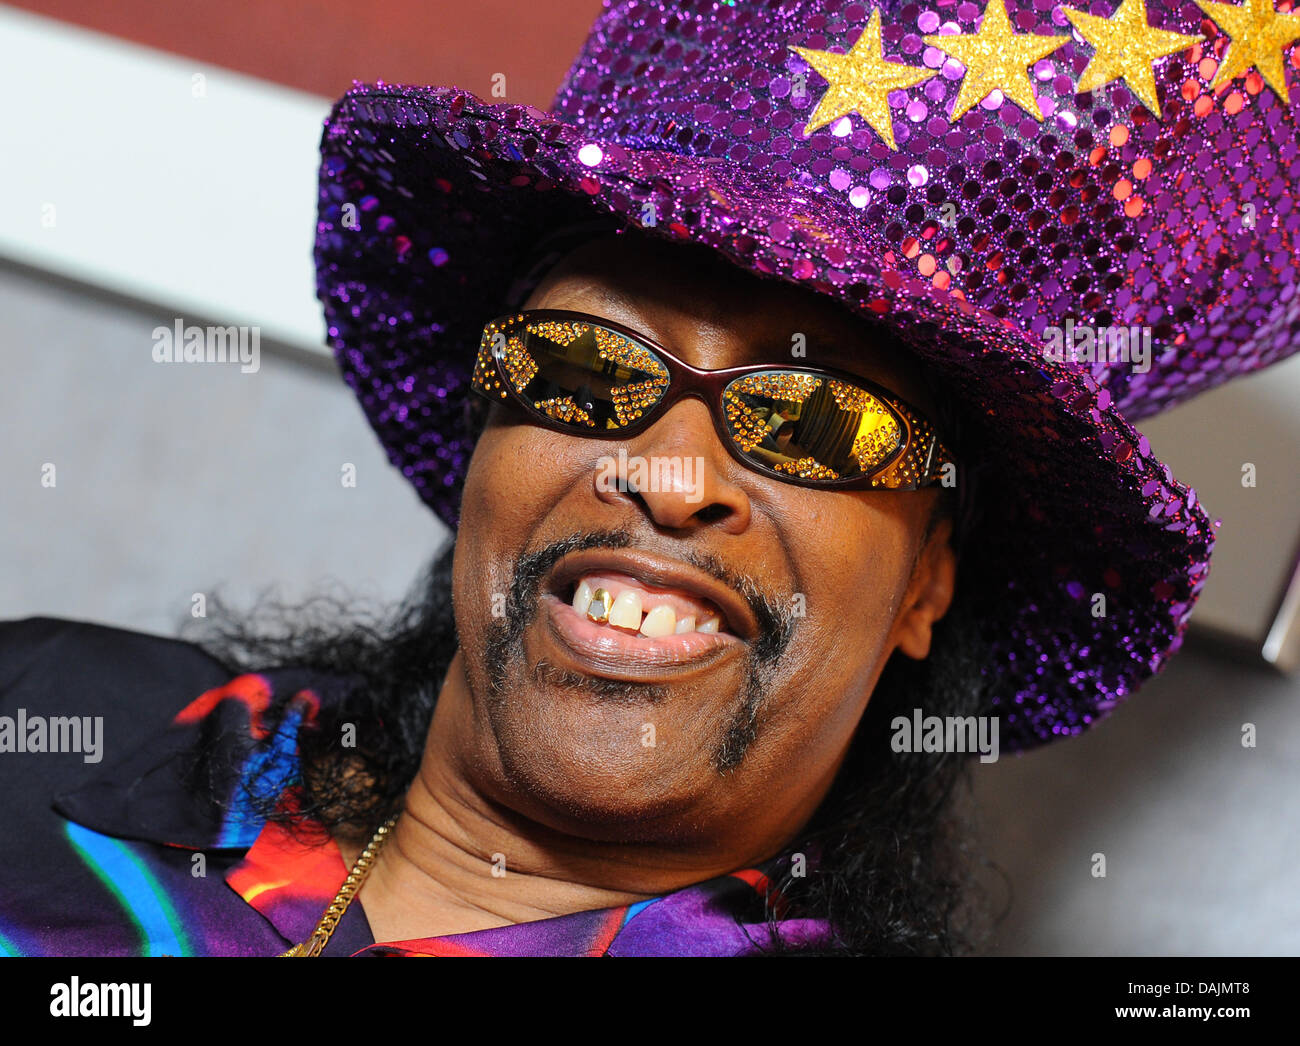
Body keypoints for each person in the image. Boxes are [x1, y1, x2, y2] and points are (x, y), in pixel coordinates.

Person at [4, 0, 1295, 956]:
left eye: (818, 423)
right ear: (488, 438)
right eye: (580, 365)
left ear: (925, 587)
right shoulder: (45, 705)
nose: (673, 474)